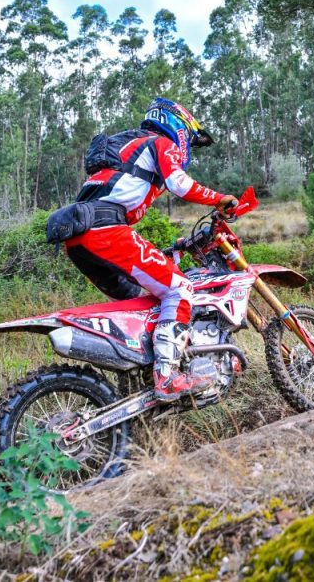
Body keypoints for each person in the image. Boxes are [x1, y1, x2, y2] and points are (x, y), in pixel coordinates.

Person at [64, 98, 237, 402]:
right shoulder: (160, 143)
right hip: (105, 231)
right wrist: (219, 199)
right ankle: (167, 378)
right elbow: (180, 185)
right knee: (180, 290)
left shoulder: (127, 150)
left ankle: (140, 376)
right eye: (190, 141)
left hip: (79, 239)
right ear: (178, 126)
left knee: (145, 303)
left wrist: (171, 253)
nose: (188, 150)